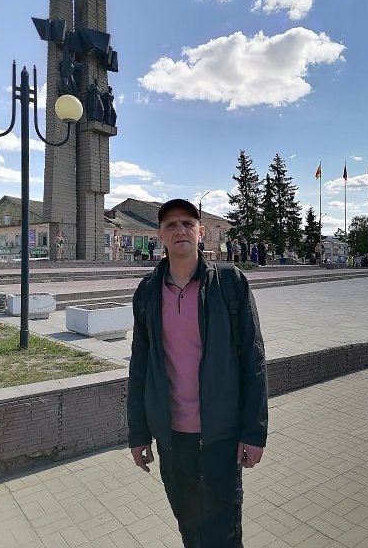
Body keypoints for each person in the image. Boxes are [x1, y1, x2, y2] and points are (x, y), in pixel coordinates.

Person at [127, 198, 267, 548]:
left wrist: (254, 432)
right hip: (173, 440)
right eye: (171, 225)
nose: (180, 230)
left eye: (187, 223)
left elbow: (254, 359)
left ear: (200, 232)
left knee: (225, 534)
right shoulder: (148, 292)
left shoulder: (229, 283)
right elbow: (140, 366)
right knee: (190, 530)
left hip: (221, 438)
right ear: (160, 236)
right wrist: (138, 433)